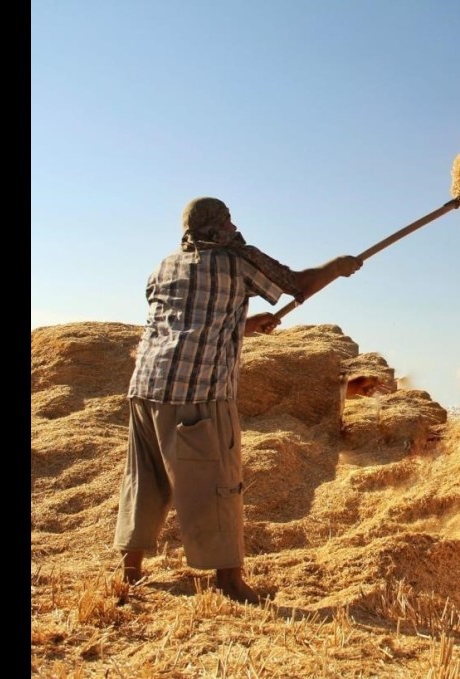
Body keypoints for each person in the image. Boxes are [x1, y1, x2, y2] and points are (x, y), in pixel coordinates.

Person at [113, 196, 362, 603]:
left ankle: (130, 569)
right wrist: (337, 267)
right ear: (217, 225)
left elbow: (186, 320)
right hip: (200, 392)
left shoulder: (164, 266)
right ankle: (229, 582)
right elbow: (296, 285)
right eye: (227, 219)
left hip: (145, 388)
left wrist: (241, 325)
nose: (233, 225)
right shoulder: (236, 260)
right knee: (219, 483)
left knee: (145, 478)